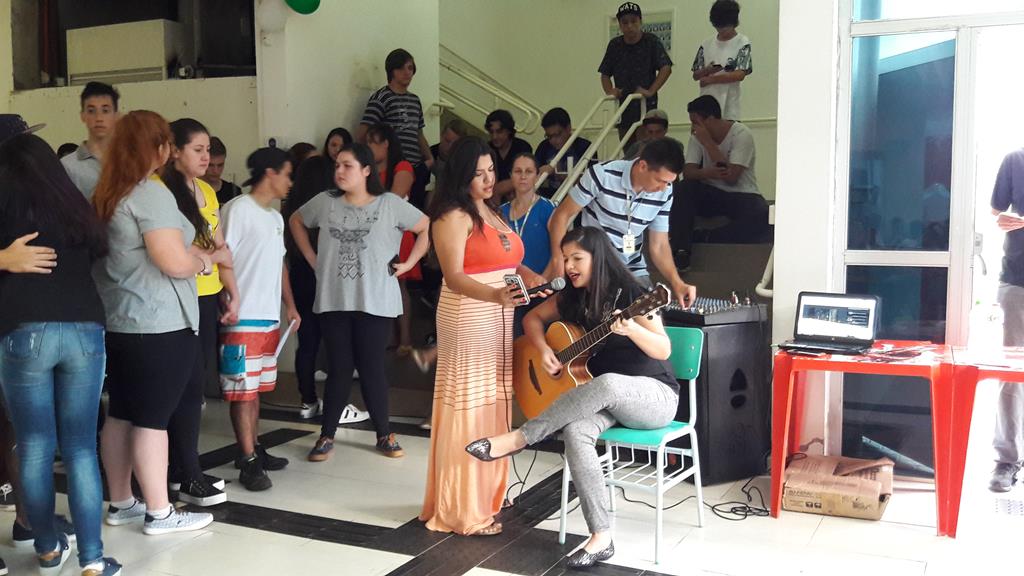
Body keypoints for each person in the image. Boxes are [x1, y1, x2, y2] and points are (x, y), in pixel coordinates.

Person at [467, 226, 679, 570]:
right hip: (604, 399)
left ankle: (521, 437)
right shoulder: (573, 296)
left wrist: (631, 328)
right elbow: (533, 318)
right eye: (565, 259)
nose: (568, 266)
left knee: (609, 383)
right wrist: (543, 350)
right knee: (576, 430)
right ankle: (601, 537)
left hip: (654, 397)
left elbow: (663, 349)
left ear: (598, 258)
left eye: (577, 258)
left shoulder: (635, 294)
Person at [0, 121, 122, 575]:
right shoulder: (72, 205)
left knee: (34, 445)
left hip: (22, 330)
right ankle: (92, 560)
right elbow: (98, 252)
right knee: (81, 448)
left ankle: (49, 548)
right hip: (84, 329)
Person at [92, 110, 214, 535]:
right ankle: (160, 512)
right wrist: (202, 262)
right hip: (159, 323)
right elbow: (173, 261)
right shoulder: (149, 193)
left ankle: (122, 502)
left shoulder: (107, 191)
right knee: (152, 420)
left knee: (122, 414)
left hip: (120, 321)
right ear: (160, 148)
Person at [419, 137, 548, 536]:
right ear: (462, 176)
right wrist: (495, 295)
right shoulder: (451, 216)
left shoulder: (490, 210)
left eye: (492, 170)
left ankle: (486, 495)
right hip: (469, 314)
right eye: (479, 173)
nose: (489, 179)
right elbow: (454, 276)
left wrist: (530, 276)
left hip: (497, 313)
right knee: (470, 407)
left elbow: (507, 258)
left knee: (493, 402)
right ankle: (463, 509)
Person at [290, 143, 430, 462]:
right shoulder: (325, 202)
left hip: (376, 300)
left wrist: (410, 263)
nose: (339, 171)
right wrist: (312, 258)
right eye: (337, 165)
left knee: (372, 368)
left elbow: (424, 226)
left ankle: (384, 434)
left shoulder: (389, 203)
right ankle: (326, 435)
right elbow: (296, 220)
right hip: (334, 299)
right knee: (339, 368)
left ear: (366, 170)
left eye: (347, 165)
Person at [161, 118, 236, 505]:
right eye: (198, 150)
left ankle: (183, 469)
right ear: (174, 151)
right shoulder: (160, 190)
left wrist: (230, 289)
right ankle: (184, 471)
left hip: (207, 295)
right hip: (177, 295)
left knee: (196, 385)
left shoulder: (206, 190)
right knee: (183, 387)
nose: (206, 157)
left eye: (208, 150)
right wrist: (211, 255)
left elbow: (221, 249)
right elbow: (178, 250)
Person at [218, 147, 301, 491]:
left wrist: (290, 305)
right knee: (242, 391)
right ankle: (248, 459)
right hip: (241, 317)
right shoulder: (237, 209)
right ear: (270, 173)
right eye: (288, 174)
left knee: (256, 391)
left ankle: (253, 447)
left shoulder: (275, 217)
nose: (290, 182)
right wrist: (228, 300)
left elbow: (279, 264)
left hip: (267, 318)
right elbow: (221, 258)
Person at [546, 138, 696, 308]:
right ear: (642, 166)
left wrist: (677, 282)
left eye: (669, 182)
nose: (663, 188)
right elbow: (561, 216)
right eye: (660, 180)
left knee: (649, 312)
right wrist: (559, 261)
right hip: (596, 265)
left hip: (632, 267)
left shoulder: (665, 192)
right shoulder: (602, 175)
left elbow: (660, 245)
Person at [672, 95, 767, 270]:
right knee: (684, 189)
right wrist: (708, 173)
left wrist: (708, 143)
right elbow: (688, 172)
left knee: (762, 214)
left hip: (743, 194)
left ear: (710, 119)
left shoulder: (741, 134)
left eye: (696, 122)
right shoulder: (696, 137)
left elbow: (731, 178)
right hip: (712, 192)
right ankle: (681, 251)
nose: (693, 128)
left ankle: (706, 237)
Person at [356, 49, 435, 210]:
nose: (407, 73)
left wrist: (429, 158)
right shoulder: (381, 97)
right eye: (401, 68)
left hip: (416, 166)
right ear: (392, 70)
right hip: (393, 166)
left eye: (410, 68)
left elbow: (418, 133)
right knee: (391, 208)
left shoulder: (415, 100)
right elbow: (364, 133)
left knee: (414, 211)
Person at [990, 147, 1024, 492]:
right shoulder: (1015, 160)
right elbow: (997, 213)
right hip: (1016, 281)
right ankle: (1007, 459)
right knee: (1011, 375)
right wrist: (1005, 220)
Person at [501, 153, 557, 337]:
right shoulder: (500, 213)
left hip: (542, 290)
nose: (523, 176)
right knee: (514, 342)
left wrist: (541, 284)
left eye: (529, 171)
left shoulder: (548, 208)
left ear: (537, 175)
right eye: (518, 171)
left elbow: (558, 253)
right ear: (511, 175)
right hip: (511, 291)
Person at [599, 2, 673, 140]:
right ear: (620, 25)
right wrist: (610, 91)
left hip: (646, 107)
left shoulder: (651, 41)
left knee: (646, 146)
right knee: (628, 148)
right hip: (623, 108)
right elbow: (605, 73)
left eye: (633, 21)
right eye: (625, 22)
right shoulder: (615, 45)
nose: (629, 26)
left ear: (640, 21)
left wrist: (650, 91)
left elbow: (666, 68)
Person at [692, 0, 752, 121]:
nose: (721, 30)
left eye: (725, 27)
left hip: (730, 107)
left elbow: (740, 74)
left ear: (734, 23)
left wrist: (711, 79)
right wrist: (707, 70)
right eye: (718, 27)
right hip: (706, 106)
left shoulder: (742, 42)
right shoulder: (706, 44)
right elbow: (696, 75)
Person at [62, 81, 119, 200]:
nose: (99, 118)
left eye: (105, 111)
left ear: (116, 115)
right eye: (91, 111)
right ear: (83, 115)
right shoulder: (67, 166)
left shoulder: (130, 160)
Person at [534, 107, 593, 198]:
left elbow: (591, 183)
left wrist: (559, 174)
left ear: (568, 128)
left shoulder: (584, 147)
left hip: (577, 199)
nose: (553, 140)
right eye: (549, 136)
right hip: (547, 199)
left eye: (557, 134)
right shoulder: (544, 147)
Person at [486, 110, 533, 201]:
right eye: (491, 132)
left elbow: (527, 176)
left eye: (499, 132)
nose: (494, 137)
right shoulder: (487, 149)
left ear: (509, 131)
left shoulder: (522, 147)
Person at [202, 137, 243, 205]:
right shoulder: (190, 191)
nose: (215, 171)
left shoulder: (234, 192)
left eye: (220, 165)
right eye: (210, 165)